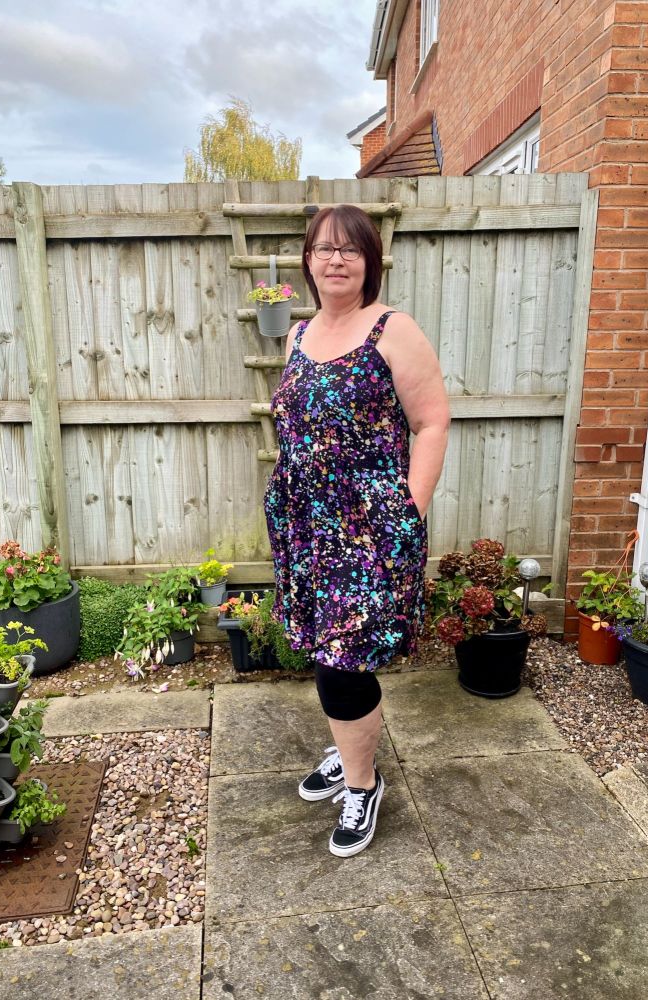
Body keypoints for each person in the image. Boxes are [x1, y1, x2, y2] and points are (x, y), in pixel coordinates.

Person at [264, 204, 450, 857]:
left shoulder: (393, 330)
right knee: (324, 650)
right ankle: (350, 754)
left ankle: (364, 786)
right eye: (323, 248)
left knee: (343, 662)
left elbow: (431, 421)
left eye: (349, 249)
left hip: (369, 530)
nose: (335, 259)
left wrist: (410, 509)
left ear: (370, 259)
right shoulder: (298, 335)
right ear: (308, 261)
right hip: (308, 526)